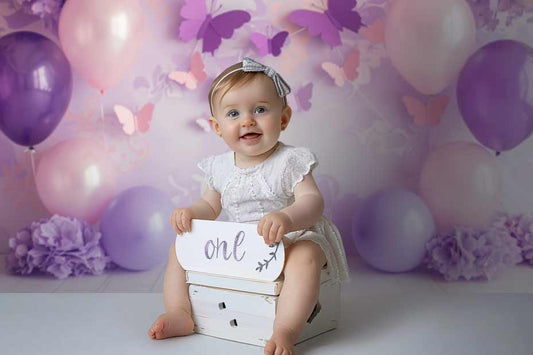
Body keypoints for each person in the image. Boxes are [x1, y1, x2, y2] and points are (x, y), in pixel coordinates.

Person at [148, 57, 349, 355]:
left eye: (260, 109)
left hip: (293, 236)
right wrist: (191, 213)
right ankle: (180, 312)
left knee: (305, 257)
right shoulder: (218, 167)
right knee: (180, 246)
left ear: (283, 118)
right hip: (243, 246)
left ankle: (286, 328)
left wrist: (287, 217)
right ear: (217, 127)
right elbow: (209, 205)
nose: (247, 120)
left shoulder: (290, 161)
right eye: (233, 113)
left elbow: (312, 202)